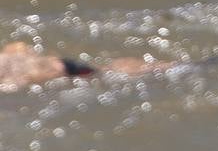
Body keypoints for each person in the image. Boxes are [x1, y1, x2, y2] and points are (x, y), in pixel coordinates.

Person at [0, 41, 170, 92]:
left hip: (65, 72)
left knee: (111, 71)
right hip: (56, 64)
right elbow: (18, 46)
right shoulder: (8, 56)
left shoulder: (10, 81)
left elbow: (13, 86)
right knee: (109, 69)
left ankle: (185, 66)